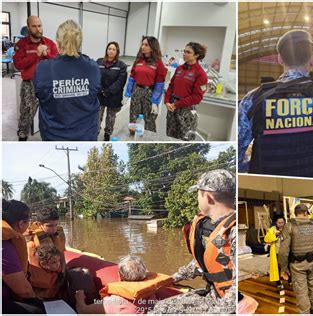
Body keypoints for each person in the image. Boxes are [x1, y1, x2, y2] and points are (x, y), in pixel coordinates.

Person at [238, 29, 313, 178]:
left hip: (270, 185)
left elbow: (238, 150)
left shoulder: (254, 98)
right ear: (312, 59)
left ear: (280, 59)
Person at [151, 169, 236, 314]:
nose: (197, 199)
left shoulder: (233, 232)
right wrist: (172, 278)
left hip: (227, 304)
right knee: (160, 308)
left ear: (208, 198)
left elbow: (236, 291)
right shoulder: (208, 225)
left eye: (198, 194)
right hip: (213, 294)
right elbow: (201, 264)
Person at [34, 20, 101, 141]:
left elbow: (41, 95)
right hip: (85, 135)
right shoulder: (93, 67)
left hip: (53, 135)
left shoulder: (43, 68)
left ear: (58, 42)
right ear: (79, 42)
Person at [12, 16, 58, 141]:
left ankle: (49, 140)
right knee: (26, 116)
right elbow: (17, 64)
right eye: (34, 26)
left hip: (48, 85)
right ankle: (22, 140)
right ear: (28, 28)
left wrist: (46, 54)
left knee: (51, 116)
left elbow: (57, 63)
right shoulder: (21, 44)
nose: (38, 29)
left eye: (40, 25)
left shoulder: (49, 43)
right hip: (29, 84)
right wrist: (35, 55)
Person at [76, 255, 171, 314]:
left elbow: (82, 310)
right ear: (145, 276)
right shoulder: (152, 293)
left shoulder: (114, 302)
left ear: (120, 276)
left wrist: (79, 298)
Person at [278, 204, 313, 314]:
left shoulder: (289, 225)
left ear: (295, 213)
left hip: (297, 264)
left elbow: (283, 250)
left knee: (301, 291)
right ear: (306, 213)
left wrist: (283, 268)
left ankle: (305, 312)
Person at [2, 199, 46, 314]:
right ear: (21, 224)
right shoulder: (4, 247)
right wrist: (35, 296)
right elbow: (24, 291)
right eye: (28, 222)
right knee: (36, 308)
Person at [164, 42, 209, 140]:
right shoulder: (179, 69)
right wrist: (167, 101)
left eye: (188, 52)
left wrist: (177, 104)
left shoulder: (200, 74)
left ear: (196, 55)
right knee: (170, 138)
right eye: (184, 51)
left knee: (185, 139)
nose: (184, 54)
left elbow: (197, 97)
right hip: (172, 107)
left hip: (186, 111)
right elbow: (171, 85)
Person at [123, 36, 167, 132]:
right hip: (137, 91)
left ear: (152, 47)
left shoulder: (158, 63)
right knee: (134, 118)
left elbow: (159, 85)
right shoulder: (138, 60)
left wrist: (155, 102)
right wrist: (127, 94)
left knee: (149, 120)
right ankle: (133, 137)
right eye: (142, 44)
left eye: (146, 45)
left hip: (149, 93)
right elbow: (132, 78)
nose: (143, 47)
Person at [97, 41, 128, 141]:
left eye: (114, 49)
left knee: (111, 118)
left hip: (113, 96)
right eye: (109, 48)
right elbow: (95, 76)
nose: (111, 51)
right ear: (106, 50)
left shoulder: (121, 66)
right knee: (97, 116)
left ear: (117, 51)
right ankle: (96, 132)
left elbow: (120, 82)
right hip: (100, 95)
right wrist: (101, 90)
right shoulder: (99, 62)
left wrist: (108, 91)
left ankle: (107, 134)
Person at [264, 216, 286, 287]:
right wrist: (275, 235)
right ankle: (278, 282)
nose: (281, 224)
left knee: (288, 266)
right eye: (279, 222)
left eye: (282, 222)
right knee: (277, 267)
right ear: (276, 223)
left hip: (286, 251)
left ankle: (290, 280)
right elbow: (266, 239)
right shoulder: (272, 229)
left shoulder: (287, 229)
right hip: (276, 251)